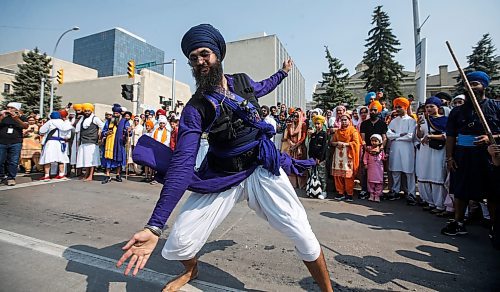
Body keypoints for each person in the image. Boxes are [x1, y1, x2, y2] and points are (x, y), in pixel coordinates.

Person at [117, 24, 333, 292]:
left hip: (260, 166)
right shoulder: (195, 108)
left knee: (304, 236)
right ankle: (191, 270)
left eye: (204, 54)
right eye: (193, 58)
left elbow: (263, 86)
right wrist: (155, 225)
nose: (199, 62)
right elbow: (183, 163)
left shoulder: (241, 81)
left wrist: (283, 73)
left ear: (218, 54)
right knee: (180, 242)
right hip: (222, 175)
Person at [442, 71, 500, 237]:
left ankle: (495, 226)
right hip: (463, 155)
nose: (471, 87)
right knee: (460, 190)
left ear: (484, 86)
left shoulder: (495, 107)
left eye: (474, 84)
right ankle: (459, 222)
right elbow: (451, 136)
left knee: (492, 192)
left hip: (488, 156)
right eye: (468, 84)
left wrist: (491, 137)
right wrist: (449, 157)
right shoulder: (457, 111)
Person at [415, 97, 448, 213]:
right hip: (425, 151)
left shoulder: (445, 120)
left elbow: (446, 136)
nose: (428, 109)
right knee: (424, 175)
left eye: (431, 106)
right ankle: (430, 202)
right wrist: (418, 125)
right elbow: (419, 136)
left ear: (438, 107)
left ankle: (440, 205)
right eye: (427, 107)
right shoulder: (423, 120)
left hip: (438, 150)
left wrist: (430, 136)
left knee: (437, 176)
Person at [386, 97, 417, 204]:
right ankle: (395, 191)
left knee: (409, 172)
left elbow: (410, 136)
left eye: (400, 107)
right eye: (396, 107)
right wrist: (399, 135)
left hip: (407, 149)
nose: (397, 109)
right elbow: (388, 135)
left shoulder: (411, 121)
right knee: (395, 171)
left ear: (405, 107)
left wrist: (395, 137)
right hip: (395, 148)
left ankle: (411, 193)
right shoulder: (394, 121)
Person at [359, 101, 387, 199]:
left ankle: (378, 192)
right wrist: (366, 148)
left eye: (375, 110)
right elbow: (362, 138)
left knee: (378, 171)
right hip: (367, 150)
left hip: (379, 151)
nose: (372, 112)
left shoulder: (382, 124)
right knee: (365, 170)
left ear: (379, 111)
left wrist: (381, 148)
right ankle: (365, 190)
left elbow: (384, 138)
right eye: (371, 110)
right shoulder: (364, 124)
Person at [331, 113, 361, 202]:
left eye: (345, 120)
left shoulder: (353, 131)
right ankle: (340, 192)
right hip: (338, 156)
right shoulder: (337, 131)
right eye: (342, 120)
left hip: (348, 156)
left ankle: (349, 193)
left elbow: (356, 143)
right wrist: (337, 143)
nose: (343, 122)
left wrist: (346, 144)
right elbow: (332, 142)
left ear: (349, 120)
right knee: (338, 175)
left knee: (348, 176)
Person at [38, 111, 74, 180]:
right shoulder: (65, 124)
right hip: (61, 142)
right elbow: (68, 136)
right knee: (61, 159)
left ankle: (47, 175)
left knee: (48, 159)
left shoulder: (50, 122)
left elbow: (41, 131)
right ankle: (61, 174)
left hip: (51, 142)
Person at [0, 102, 28, 185]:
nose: (9, 109)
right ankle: (1, 176)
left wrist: (16, 118)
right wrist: (2, 117)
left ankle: (11, 178)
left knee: (13, 161)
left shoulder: (22, 117)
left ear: (17, 109)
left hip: (16, 142)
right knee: (0, 160)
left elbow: (25, 126)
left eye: (12, 108)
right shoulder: (3, 116)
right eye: (8, 107)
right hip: (2, 141)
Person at [101, 104, 130, 184]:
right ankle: (107, 175)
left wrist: (128, 131)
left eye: (117, 113)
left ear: (120, 114)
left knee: (118, 159)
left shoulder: (124, 121)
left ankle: (118, 174)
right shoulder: (109, 121)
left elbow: (128, 132)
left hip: (119, 143)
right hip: (109, 142)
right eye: (114, 113)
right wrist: (106, 133)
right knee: (108, 159)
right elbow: (103, 131)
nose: (115, 115)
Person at [75, 103, 104, 181]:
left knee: (91, 160)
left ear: (91, 111)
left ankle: (90, 175)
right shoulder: (82, 119)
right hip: (83, 141)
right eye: (85, 111)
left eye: (88, 111)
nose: (87, 112)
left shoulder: (95, 118)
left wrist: (100, 138)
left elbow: (103, 127)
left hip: (92, 142)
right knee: (85, 159)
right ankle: (86, 174)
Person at [283, 110, 308, 189]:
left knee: (299, 165)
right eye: (294, 116)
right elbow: (287, 137)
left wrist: (296, 145)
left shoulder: (303, 125)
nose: (295, 118)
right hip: (291, 147)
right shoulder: (290, 125)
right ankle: (293, 184)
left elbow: (304, 137)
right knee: (291, 164)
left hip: (299, 148)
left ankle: (301, 184)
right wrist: (291, 144)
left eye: (297, 116)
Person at [308, 114, 328, 199]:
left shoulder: (324, 134)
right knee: (313, 174)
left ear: (322, 124)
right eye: (315, 124)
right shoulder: (313, 135)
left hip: (321, 159)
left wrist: (319, 158)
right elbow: (311, 146)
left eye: (318, 124)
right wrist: (311, 157)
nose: (317, 125)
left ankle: (323, 191)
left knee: (321, 175)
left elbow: (324, 148)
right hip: (313, 158)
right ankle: (313, 190)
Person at [363, 134, 385, 202]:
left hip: (379, 169)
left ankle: (377, 195)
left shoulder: (381, 150)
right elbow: (365, 157)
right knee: (370, 182)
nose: (374, 142)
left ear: (379, 142)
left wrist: (385, 156)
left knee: (379, 182)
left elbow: (383, 158)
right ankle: (371, 194)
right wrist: (365, 164)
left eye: (376, 141)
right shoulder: (368, 149)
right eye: (372, 141)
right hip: (371, 168)